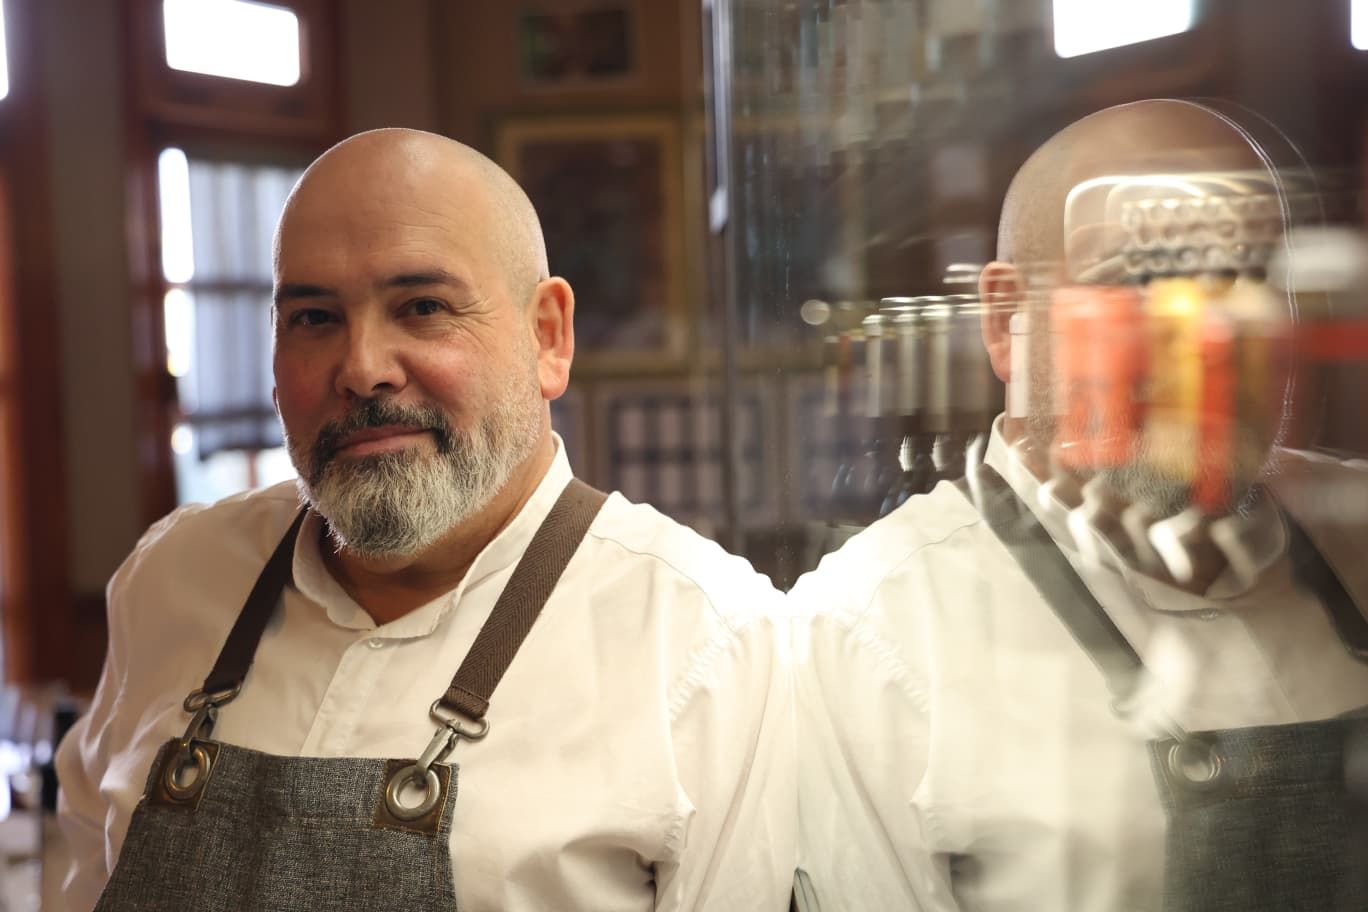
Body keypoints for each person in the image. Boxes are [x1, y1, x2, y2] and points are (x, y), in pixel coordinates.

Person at [54, 129, 794, 912]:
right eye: (313, 317)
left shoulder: (704, 642)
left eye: (423, 307)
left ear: (548, 336)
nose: (363, 366)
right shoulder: (172, 577)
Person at [791, 98, 1368, 911]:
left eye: (1249, 277)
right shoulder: (871, 634)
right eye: (1138, 277)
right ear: (1004, 320)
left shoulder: (1357, 533)